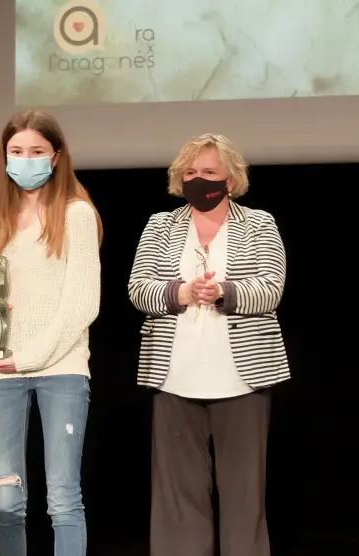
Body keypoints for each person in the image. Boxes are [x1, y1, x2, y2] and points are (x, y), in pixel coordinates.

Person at [127, 133, 290, 556]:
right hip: (175, 380)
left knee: (244, 500)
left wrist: (222, 292)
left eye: (209, 173)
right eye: (191, 173)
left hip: (242, 382)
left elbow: (271, 288)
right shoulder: (160, 225)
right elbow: (138, 288)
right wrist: (181, 292)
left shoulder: (260, 223)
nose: (199, 180)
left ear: (230, 181)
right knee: (177, 503)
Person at [0, 109, 102, 556]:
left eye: (36, 151)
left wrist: (27, 358)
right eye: (16, 151)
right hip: (0, 372)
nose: (25, 160)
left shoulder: (77, 214)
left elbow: (83, 303)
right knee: (7, 502)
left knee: (63, 499)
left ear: (56, 156)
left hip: (61, 369)